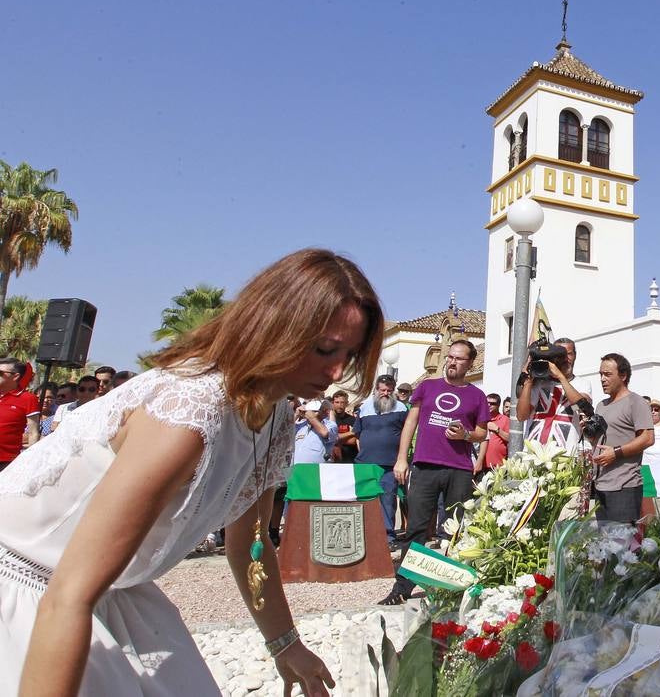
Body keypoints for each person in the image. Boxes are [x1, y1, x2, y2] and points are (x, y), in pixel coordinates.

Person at [0, 247, 384, 696]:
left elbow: (250, 543)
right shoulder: (189, 412)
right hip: (32, 591)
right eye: (324, 349)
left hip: (112, 592)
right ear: (274, 326)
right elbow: (68, 595)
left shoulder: (278, 416)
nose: (337, 371)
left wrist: (285, 643)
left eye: (349, 355)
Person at [380, 339, 489, 605]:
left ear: (470, 363)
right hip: (425, 466)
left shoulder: (477, 396)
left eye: (458, 358)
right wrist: (401, 460)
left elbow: (482, 433)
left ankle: (452, 587)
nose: (451, 362)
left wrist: (466, 434)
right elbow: (411, 423)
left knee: (455, 530)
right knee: (416, 529)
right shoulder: (427, 387)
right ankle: (403, 587)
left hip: (459, 470)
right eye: (449, 357)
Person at [588, 353, 654, 524]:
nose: (602, 379)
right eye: (600, 374)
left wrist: (616, 453)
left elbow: (647, 438)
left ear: (623, 376)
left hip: (624, 486)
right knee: (605, 546)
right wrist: (588, 432)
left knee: (623, 546)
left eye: (608, 374)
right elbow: (599, 441)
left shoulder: (636, 402)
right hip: (600, 485)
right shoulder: (601, 405)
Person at [353, 386, 410, 547]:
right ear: (376, 390)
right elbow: (357, 433)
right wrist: (363, 451)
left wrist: (402, 459)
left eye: (388, 391)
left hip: (390, 465)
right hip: (365, 463)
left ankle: (388, 538)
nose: (385, 394)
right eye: (382, 390)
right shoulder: (365, 408)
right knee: (365, 500)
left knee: (387, 501)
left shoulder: (401, 408)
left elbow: (407, 433)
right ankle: (364, 537)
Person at [517, 337, 592, 452]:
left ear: (575, 356)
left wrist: (560, 376)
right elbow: (521, 416)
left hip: (565, 456)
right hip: (533, 454)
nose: (565, 359)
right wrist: (528, 380)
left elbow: (582, 408)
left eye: (569, 354)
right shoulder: (538, 383)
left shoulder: (582, 384)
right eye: (560, 355)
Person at [0, 359, 39, 473]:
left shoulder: (28, 398)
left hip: (7, 463)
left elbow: (33, 433)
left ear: (15, 376)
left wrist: (30, 461)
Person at [473, 392, 510, 479]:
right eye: (487, 403)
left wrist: (497, 429)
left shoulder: (505, 420)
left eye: (492, 403)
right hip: (478, 465)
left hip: (497, 466)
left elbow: (511, 439)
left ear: (498, 405)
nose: (489, 405)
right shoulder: (479, 419)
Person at [329, 391, 357, 463]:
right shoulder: (328, 420)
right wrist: (351, 433)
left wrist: (335, 440)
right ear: (333, 403)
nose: (339, 405)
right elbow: (327, 438)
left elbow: (353, 441)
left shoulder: (353, 420)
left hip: (349, 459)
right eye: (337, 402)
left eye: (342, 402)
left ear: (346, 403)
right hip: (332, 460)